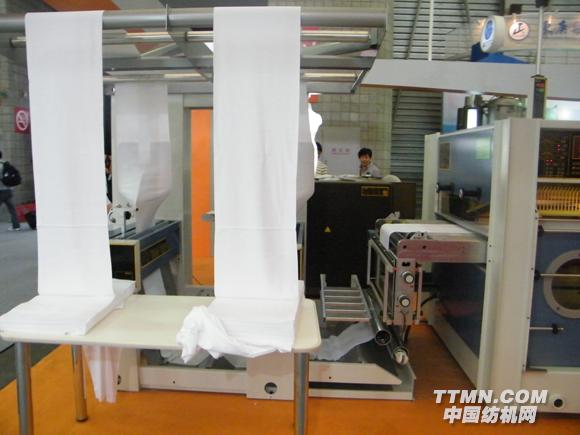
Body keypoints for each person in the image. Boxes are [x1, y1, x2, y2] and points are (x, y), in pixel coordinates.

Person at [0, 151, 21, 231]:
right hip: (8, 190)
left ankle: (16, 226)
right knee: (12, 209)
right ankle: (16, 226)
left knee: (12, 209)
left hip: (1, 191)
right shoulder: (6, 163)